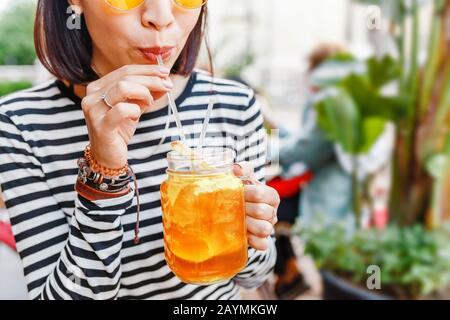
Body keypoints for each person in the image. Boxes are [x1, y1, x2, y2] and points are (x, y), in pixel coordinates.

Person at [0, 0, 279, 300]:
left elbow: (257, 275)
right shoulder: (20, 123)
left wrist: (248, 230)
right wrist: (102, 175)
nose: (160, 18)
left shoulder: (235, 104)